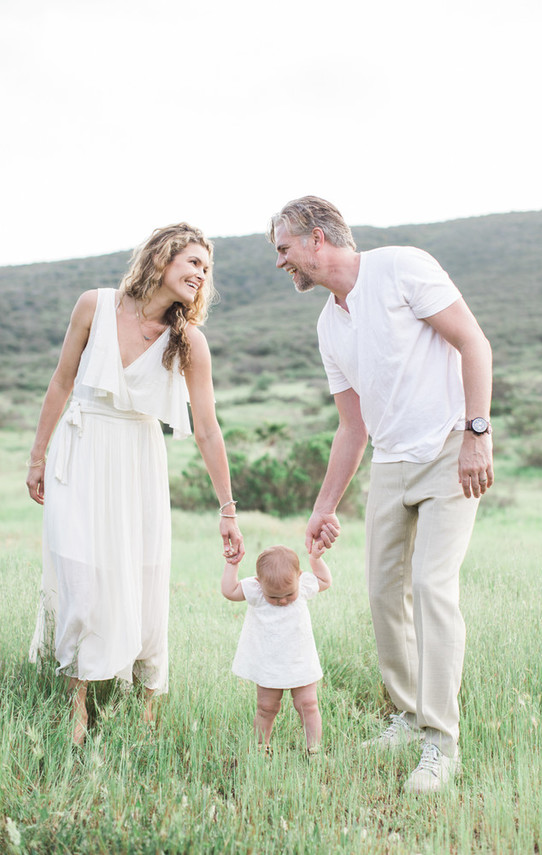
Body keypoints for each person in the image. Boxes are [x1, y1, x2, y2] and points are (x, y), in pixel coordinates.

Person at [267, 196, 494, 793]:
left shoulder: (402, 268)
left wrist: (476, 434)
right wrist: (324, 507)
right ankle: (406, 714)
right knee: (382, 593)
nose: (281, 262)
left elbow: (474, 343)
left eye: (284, 249)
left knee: (431, 586)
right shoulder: (328, 325)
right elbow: (352, 426)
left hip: (450, 448)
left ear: (316, 238)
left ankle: (440, 746)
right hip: (391, 463)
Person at [26, 223, 244, 745]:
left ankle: (146, 702)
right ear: (163, 257)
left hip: (138, 460)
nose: (200, 274)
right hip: (79, 450)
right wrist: (37, 455)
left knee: (142, 575)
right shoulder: (93, 305)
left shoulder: (187, 339)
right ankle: (76, 702)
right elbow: (61, 380)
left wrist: (227, 507)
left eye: (206, 269)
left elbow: (208, 428)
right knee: (80, 571)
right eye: (193, 262)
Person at [221, 539, 333, 755]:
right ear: (258, 583)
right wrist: (232, 563)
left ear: (299, 578)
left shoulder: (303, 584)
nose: (283, 601)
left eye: (289, 595)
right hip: (268, 663)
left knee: (308, 704)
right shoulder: (256, 592)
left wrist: (316, 559)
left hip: (300, 660)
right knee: (266, 708)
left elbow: (325, 581)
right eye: (274, 597)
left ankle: (314, 749)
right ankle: (261, 747)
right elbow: (230, 590)